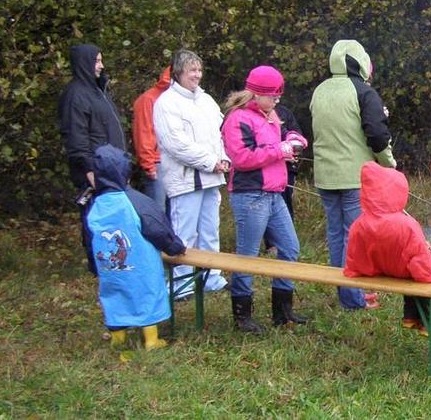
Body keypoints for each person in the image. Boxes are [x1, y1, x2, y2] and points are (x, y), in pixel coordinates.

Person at [221, 66, 309, 332]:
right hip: (250, 196)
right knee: (247, 256)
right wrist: (278, 151)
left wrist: (291, 141)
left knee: (290, 248)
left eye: (278, 97)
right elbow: (242, 158)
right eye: (272, 96)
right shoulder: (238, 119)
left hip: (274, 194)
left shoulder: (270, 115)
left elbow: (279, 142)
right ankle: (242, 316)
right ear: (256, 93)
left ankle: (282, 311)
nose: (276, 102)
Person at [311, 40, 394, 310]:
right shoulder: (363, 92)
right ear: (360, 61)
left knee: (336, 234)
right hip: (353, 176)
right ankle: (353, 299)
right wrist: (389, 164)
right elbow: (378, 135)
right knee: (353, 236)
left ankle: (347, 293)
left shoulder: (320, 91)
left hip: (325, 175)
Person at [85, 145, 185, 350]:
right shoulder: (137, 202)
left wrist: (95, 265)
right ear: (125, 172)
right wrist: (175, 247)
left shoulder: (94, 205)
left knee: (114, 297)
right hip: (142, 266)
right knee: (147, 295)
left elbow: (89, 239)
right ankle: (151, 340)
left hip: (110, 269)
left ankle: (118, 339)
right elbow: (158, 229)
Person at [153, 49, 228, 297]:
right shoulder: (166, 103)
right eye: (191, 71)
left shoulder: (206, 101)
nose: (196, 75)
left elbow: (219, 133)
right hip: (185, 179)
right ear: (178, 73)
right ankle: (181, 282)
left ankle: (211, 276)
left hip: (210, 178)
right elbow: (176, 143)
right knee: (184, 232)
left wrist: (223, 158)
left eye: (199, 70)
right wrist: (210, 161)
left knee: (210, 228)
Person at [345, 162, 431, 336]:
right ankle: (429, 325)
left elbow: (355, 257)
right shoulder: (407, 225)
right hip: (402, 272)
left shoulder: (359, 224)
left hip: (380, 270)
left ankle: (410, 316)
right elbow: (419, 262)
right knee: (425, 281)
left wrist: (355, 271)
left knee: (414, 278)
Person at [58, 44, 126, 274]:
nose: (101, 66)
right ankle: (97, 264)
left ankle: (112, 261)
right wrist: (90, 172)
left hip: (111, 168)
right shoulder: (75, 95)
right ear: (85, 63)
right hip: (94, 170)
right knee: (95, 219)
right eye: (97, 61)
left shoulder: (98, 91)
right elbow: (76, 139)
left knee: (111, 218)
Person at [132, 66, 172, 210]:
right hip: (157, 163)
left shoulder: (181, 98)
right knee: (157, 212)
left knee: (175, 214)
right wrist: (149, 165)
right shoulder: (148, 99)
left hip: (176, 162)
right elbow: (143, 133)